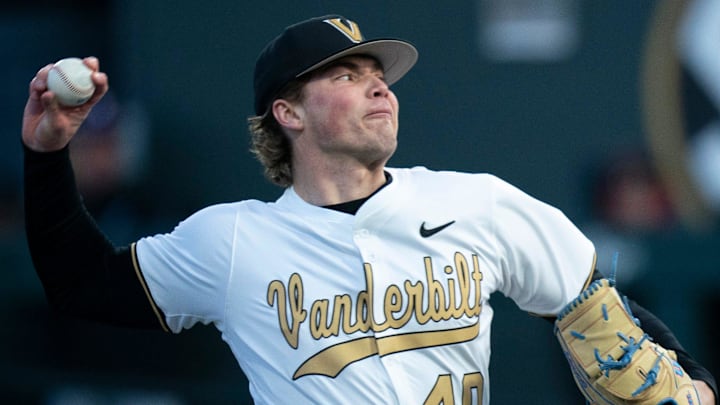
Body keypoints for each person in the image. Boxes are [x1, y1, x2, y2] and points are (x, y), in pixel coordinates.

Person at [22, 15, 717, 404]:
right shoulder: (233, 241)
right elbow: (80, 283)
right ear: (286, 112)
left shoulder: (478, 203)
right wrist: (47, 151)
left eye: (380, 78)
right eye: (347, 76)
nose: (378, 89)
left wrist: (698, 380)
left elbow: (596, 303)